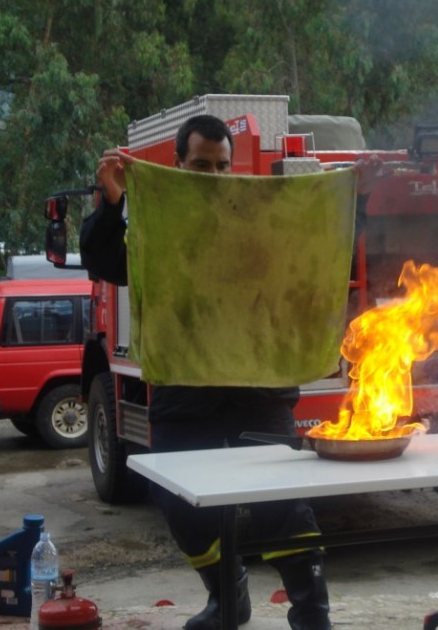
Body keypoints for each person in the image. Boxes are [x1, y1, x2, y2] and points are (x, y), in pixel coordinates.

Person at [80, 114, 380, 630]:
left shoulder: (261, 216)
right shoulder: (160, 222)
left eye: (221, 165)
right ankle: (227, 595)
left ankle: (312, 611)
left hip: (259, 388)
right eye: (200, 165)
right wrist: (110, 205)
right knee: (178, 501)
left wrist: (359, 196)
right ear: (177, 164)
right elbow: (104, 261)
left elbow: (319, 248)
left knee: (280, 508)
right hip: (184, 387)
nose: (213, 175)